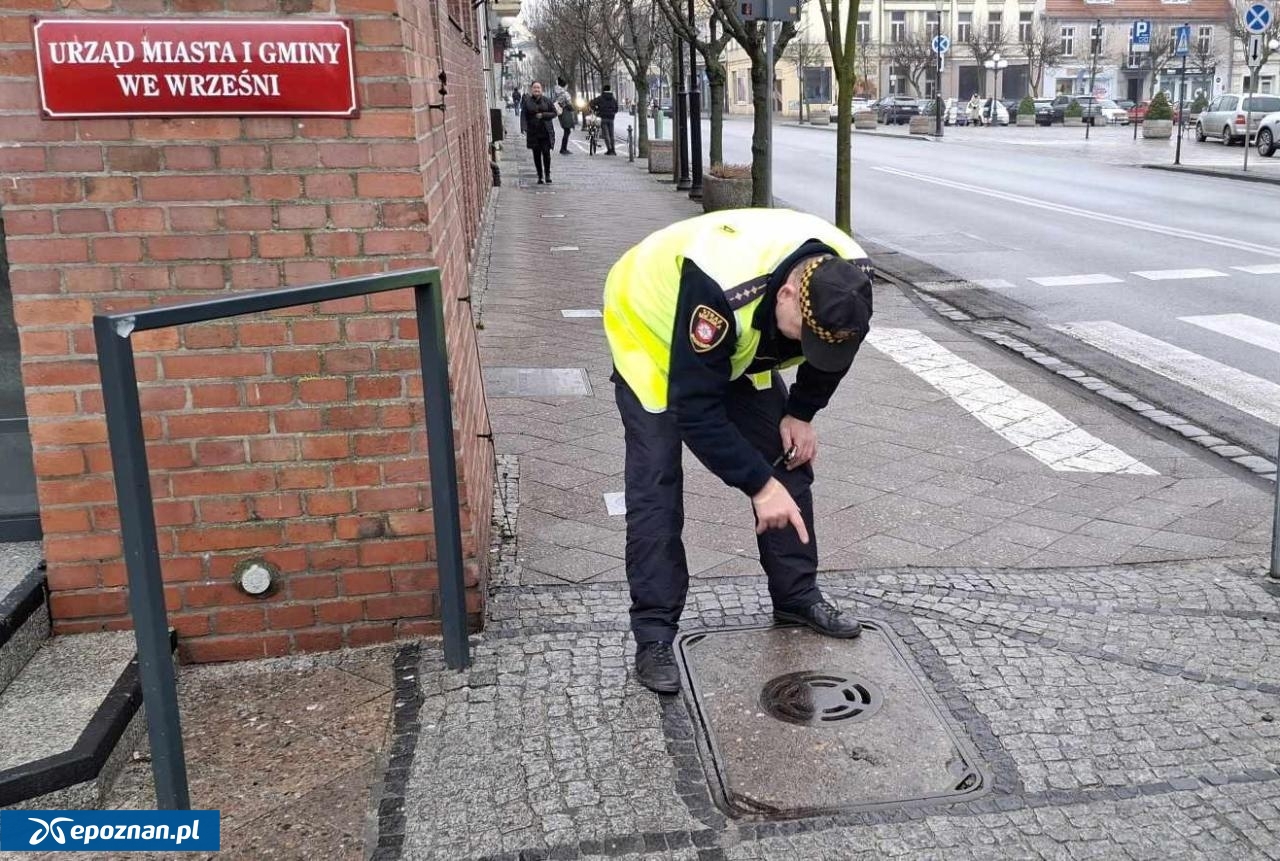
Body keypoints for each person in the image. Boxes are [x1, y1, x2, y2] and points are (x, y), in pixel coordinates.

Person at [602, 208, 875, 694]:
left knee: (787, 453)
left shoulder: (849, 282)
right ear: (789, 293)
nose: (809, 347)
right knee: (655, 486)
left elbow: (836, 353)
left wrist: (803, 413)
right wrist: (758, 486)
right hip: (652, 330)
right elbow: (697, 411)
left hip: (738, 341)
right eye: (804, 335)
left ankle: (796, 596)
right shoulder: (720, 292)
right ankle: (654, 635)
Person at [522, 81, 557, 184]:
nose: (536, 90)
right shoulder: (527, 101)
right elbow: (523, 115)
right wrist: (524, 127)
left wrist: (543, 115)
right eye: (534, 88)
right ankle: (540, 176)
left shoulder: (547, 101)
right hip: (533, 133)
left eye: (538, 88)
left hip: (546, 132)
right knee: (536, 155)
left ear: (541, 90)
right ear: (531, 89)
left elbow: (554, 113)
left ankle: (547, 174)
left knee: (546, 154)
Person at [589, 83, 620, 155]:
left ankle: (609, 149)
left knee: (606, 134)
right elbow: (616, 108)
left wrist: (596, 109)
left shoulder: (600, 98)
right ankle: (613, 150)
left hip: (603, 117)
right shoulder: (613, 99)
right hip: (611, 118)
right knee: (611, 134)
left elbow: (592, 103)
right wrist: (613, 113)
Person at [553, 77, 575, 154]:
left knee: (566, 131)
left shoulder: (557, 92)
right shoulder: (565, 93)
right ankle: (563, 148)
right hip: (566, 113)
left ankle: (563, 148)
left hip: (561, 113)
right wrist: (573, 108)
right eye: (566, 86)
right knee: (567, 131)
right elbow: (569, 103)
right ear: (564, 86)